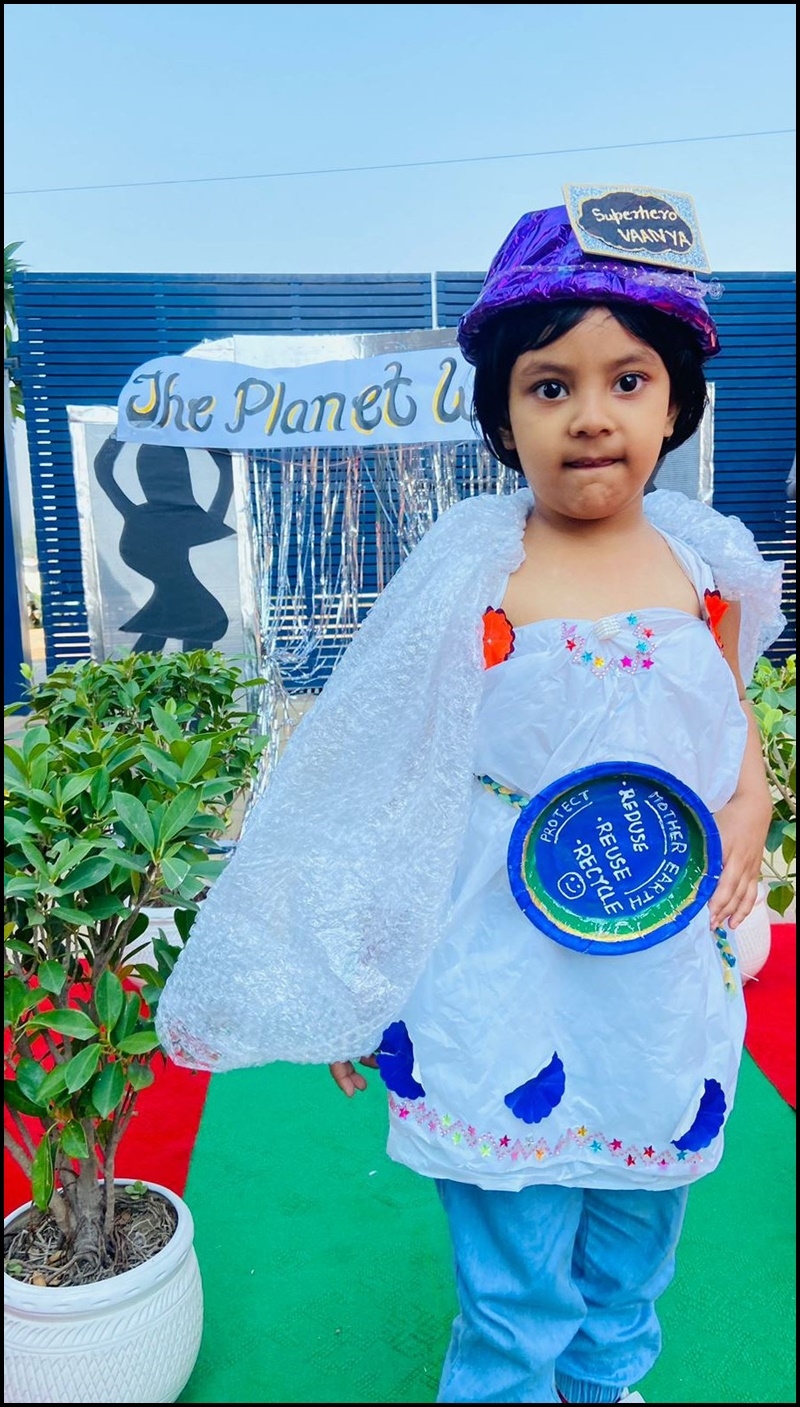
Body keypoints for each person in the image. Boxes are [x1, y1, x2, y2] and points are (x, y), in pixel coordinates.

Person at [155, 191, 786, 1405]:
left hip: (653, 968)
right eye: (549, 386)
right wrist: (357, 976)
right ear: (501, 414)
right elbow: (376, 771)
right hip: (494, 962)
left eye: (627, 380)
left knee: (634, 1235)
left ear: (674, 402)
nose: (589, 416)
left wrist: (749, 802)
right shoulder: (474, 570)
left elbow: (725, 711)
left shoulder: (702, 560)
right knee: (512, 1265)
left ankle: (603, 1383)